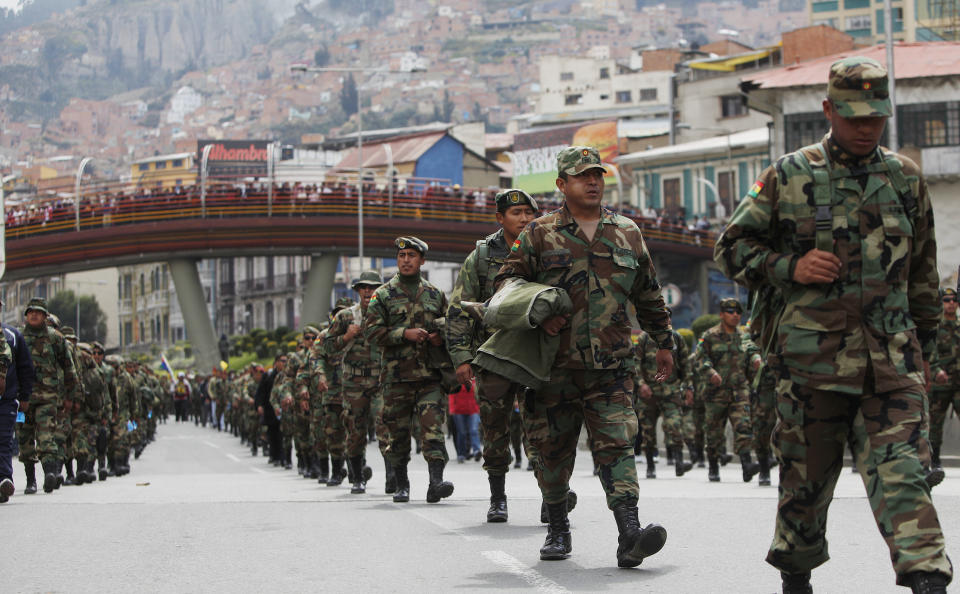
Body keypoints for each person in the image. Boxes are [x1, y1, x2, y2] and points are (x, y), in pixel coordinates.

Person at [714, 56, 952, 593]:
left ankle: (928, 579)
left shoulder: (905, 179)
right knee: (805, 485)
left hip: (891, 364)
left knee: (905, 479)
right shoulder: (790, 174)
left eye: (876, 116)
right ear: (828, 110)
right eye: (854, 116)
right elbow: (729, 249)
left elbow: (922, 276)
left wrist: (924, 353)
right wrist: (789, 267)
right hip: (810, 364)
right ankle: (796, 573)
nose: (866, 127)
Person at [495, 145, 674, 567]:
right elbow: (506, 284)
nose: (593, 181)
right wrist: (538, 314)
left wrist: (664, 341)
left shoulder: (627, 232)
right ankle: (558, 529)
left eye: (597, 174)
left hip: (611, 368)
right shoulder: (539, 233)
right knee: (552, 453)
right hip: (551, 368)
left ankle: (629, 533)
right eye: (582, 176)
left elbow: (648, 291)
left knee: (618, 446)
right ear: (562, 185)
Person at [445, 187, 537, 523]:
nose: (524, 219)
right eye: (516, 213)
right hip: (494, 356)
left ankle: (551, 496)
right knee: (495, 429)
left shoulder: (545, 248)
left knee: (543, 427)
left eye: (529, 212)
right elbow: (459, 310)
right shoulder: (481, 257)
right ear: (500, 218)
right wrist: (461, 358)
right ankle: (498, 496)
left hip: (535, 354)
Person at [365, 236, 455, 504]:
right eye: (402, 256)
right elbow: (371, 332)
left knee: (433, 431)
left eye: (412, 256)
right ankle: (401, 483)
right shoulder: (382, 295)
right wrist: (405, 333)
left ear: (421, 260)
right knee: (398, 433)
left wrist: (441, 338)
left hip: (430, 377)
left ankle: (436, 482)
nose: (406, 261)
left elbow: (450, 327)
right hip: (396, 378)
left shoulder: (435, 294)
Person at [324, 271, 384, 495]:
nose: (368, 291)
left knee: (385, 424)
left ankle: (395, 477)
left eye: (372, 287)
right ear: (358, 291)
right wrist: (346, 337)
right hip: (353, 382)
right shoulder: (346, 317)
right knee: (355, 430)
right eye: (363, 287)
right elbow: (327, 347)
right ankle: (358, 477)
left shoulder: (387, 314)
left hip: (380, 379)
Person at [691, 298, 762, 483]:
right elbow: (699, 359)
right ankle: (713, 466)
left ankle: (747, 464)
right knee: (714, 432)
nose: (735, 315)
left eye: (738, 312)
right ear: (722, 314)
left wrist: (756, 359)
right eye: (731, 312)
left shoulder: (743, 336)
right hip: (716, 393)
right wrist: (710, 371)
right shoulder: (709, 335)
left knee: (743, 425)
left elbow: (752, 350)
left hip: (739, 391)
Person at [19, 297, 79, 494]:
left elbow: (69, 369)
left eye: (38, 312)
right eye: (31, 311)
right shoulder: (18, 337)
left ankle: (50, 474)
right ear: (26, 315)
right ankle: (30, 480)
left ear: (45, 316)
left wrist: (69, 397)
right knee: (25, 439)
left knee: (46, 437)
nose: (34, 314)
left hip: (48, 398)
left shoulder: (56, 338)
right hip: (23, 401)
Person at [0, 297, 35, 502]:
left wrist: (25, 396)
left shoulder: (12, 335)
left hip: (6, 399)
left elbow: (25, 367)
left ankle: (5, 479)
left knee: (3, 440)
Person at [929, 288, 959, 474]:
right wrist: (935, 370)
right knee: (935, 424)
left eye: (953, 300)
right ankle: (935, 461)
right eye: (946, 300)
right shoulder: (935, 326)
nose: (950, 303)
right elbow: (930, 351)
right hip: (940, 383)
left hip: (958, 383)